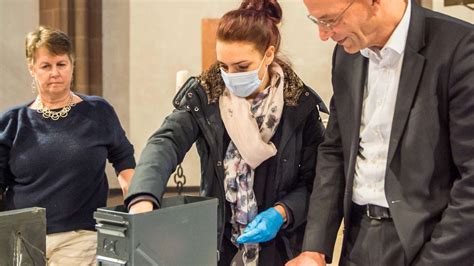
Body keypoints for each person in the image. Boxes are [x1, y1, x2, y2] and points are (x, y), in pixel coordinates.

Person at [125, 0, 327, 265]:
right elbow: (167, 141)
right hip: (219, 244)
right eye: (223, 66)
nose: (230, 76)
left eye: (242, 67)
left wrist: (282, 212)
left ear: (268, 54)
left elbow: (316, 180)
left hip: (281, 248)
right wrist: (142, 197)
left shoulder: (299, 106)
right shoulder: (205, 97)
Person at [287, 0, 474, 265]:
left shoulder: (460, 48)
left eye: (330, 20)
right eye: (316, 21)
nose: (324, 34)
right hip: (358, 238)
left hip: (428, 242)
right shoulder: (347, 55)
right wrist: (314, 247)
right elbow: (336, 150)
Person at [0, 26, 136, 264]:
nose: (55, 72)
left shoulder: (97, 111)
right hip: (21, 238)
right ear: (31, 68)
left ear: (72, 65)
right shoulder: (13, 121)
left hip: (79, 237)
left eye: (61, 64)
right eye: (46, 66)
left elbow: (124, 161)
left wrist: (137, 208)